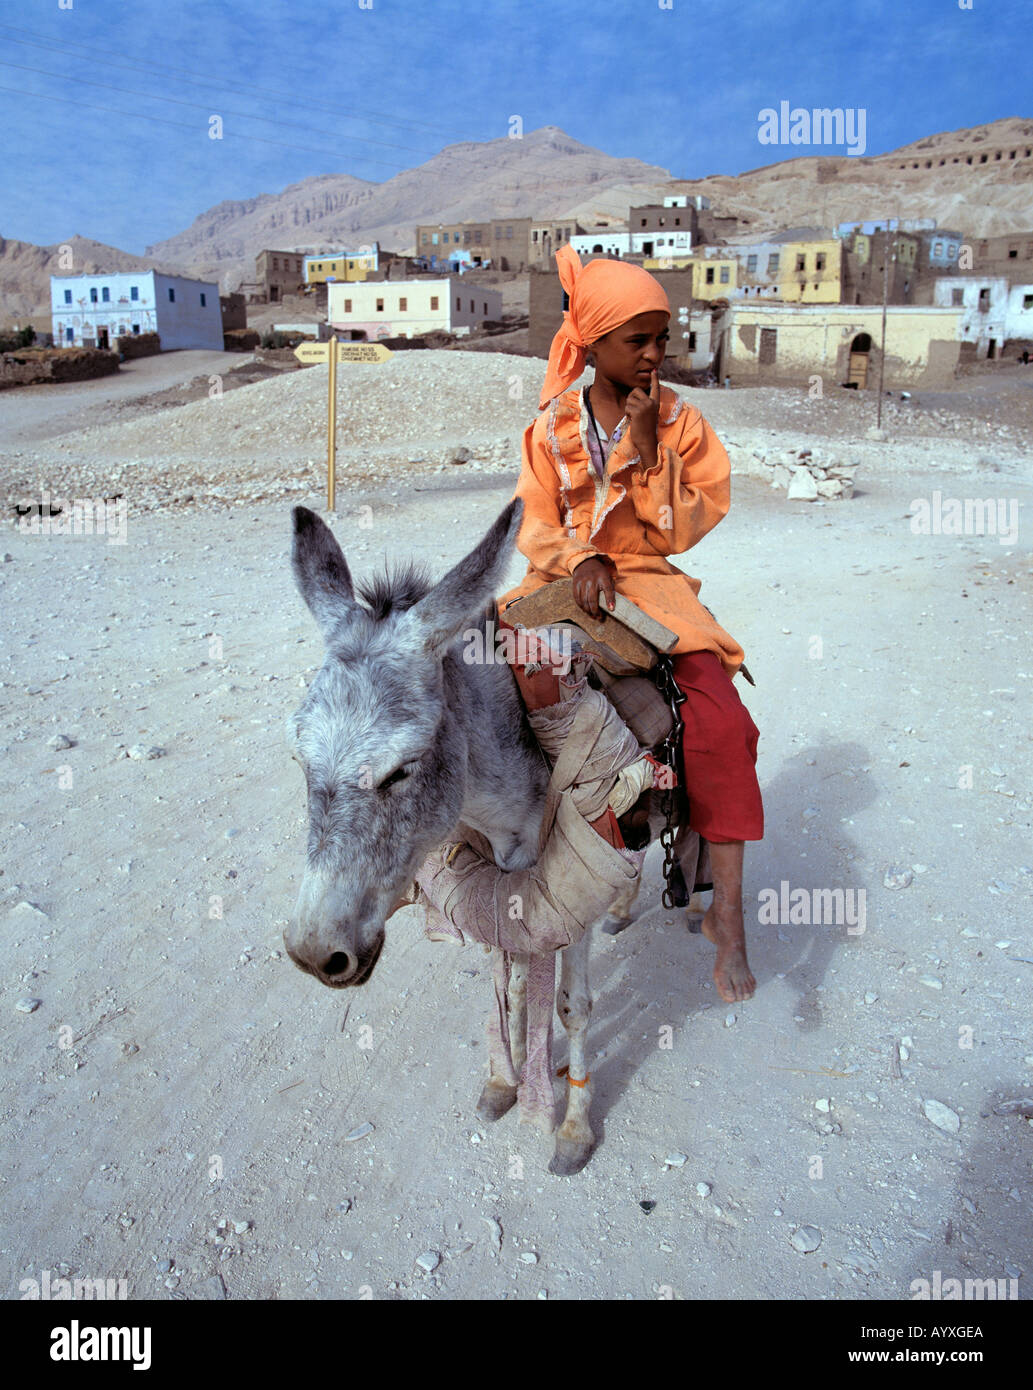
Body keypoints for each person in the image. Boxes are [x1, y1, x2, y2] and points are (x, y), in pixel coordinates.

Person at [497, 244, 762, 1004]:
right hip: (559, 580)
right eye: (635, 340)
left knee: (722, 725)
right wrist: (578, 556)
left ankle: (729, 917)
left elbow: (681, 531)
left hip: (650, 588)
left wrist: (648, 455)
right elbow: (531, 521)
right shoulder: (549, 427)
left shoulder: (681, 423)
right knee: (470, 689)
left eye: (660, 339)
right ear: (593, 345)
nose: (652, 355)